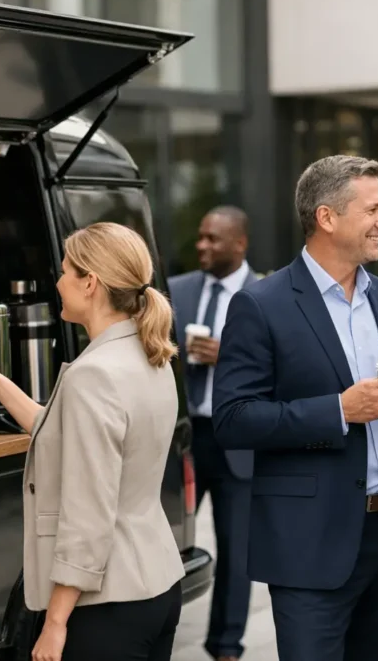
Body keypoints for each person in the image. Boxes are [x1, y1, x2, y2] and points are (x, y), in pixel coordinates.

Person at [212, 154, 378, 661]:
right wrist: (340, 410)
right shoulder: (261, 305)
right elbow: (233, 420)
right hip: (310, 544)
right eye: (373, 210)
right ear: (327, 217)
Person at [0, 222, 185, 661]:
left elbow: (88, 514)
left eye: (64, 271)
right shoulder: (148, 355)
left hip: (104, 606)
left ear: (90, 282)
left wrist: (55, 622)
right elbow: (60, 432)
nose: (57, 282)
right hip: (156, 585)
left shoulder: (92, 375)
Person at [167, 206, 256, 661]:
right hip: (184, 438)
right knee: (162, 546)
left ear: (239, 244)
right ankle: (154, 637)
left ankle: (226, 647)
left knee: (237, 552)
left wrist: (231, 358)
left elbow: (287, 372)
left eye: (213, 239)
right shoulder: (176, 290)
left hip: (239, 441)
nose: (202, 246)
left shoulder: (265, 296)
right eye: (200, 237)